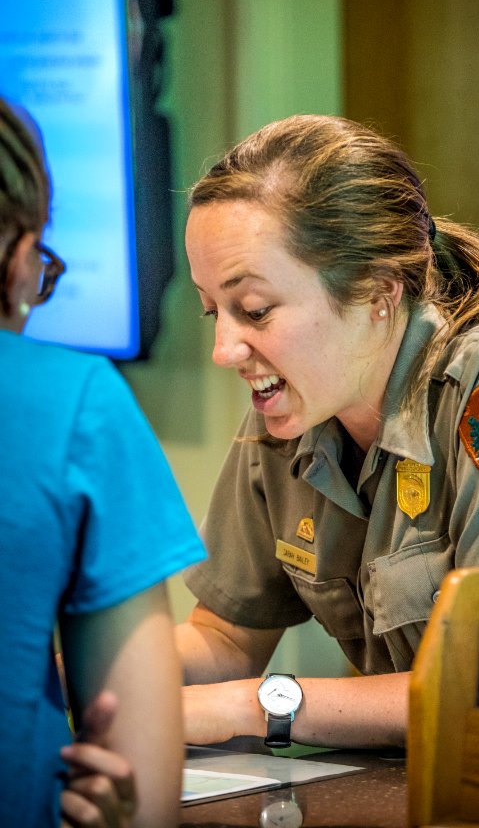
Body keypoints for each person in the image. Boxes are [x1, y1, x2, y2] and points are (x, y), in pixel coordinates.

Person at [176, 113, 479, 750]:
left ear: (377, 290)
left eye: (254, 310)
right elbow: (226, 637)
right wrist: (79, 669)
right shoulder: (289, 416)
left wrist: (261, 706)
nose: (226, 348)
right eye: (212, 312)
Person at [0, 95, 206, 828]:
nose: (226, 353)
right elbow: (140, 790)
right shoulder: (78, 404)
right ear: (20, 257)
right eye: (218, 312)